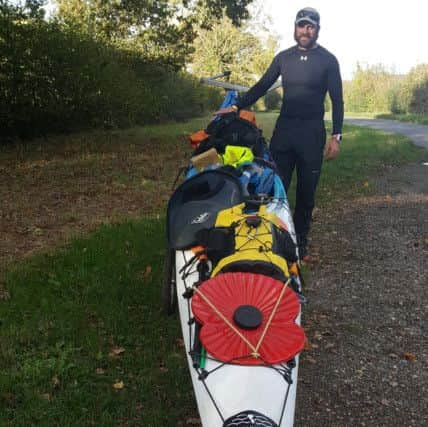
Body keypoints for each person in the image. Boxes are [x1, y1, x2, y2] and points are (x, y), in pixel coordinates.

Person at [214, 7, 344, 260]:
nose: (305, 31)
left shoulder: (328, 60)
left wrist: (336, 136)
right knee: (274, 191)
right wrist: (237, 105)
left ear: (317, 30)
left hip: (311, 136)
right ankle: (273, 241)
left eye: (310, 26)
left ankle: (300, 246)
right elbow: (262, 85)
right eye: (301, 25)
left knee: (306, 195)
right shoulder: (283, 58)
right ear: (295, 28)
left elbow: (337, 101)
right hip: (284, 135)